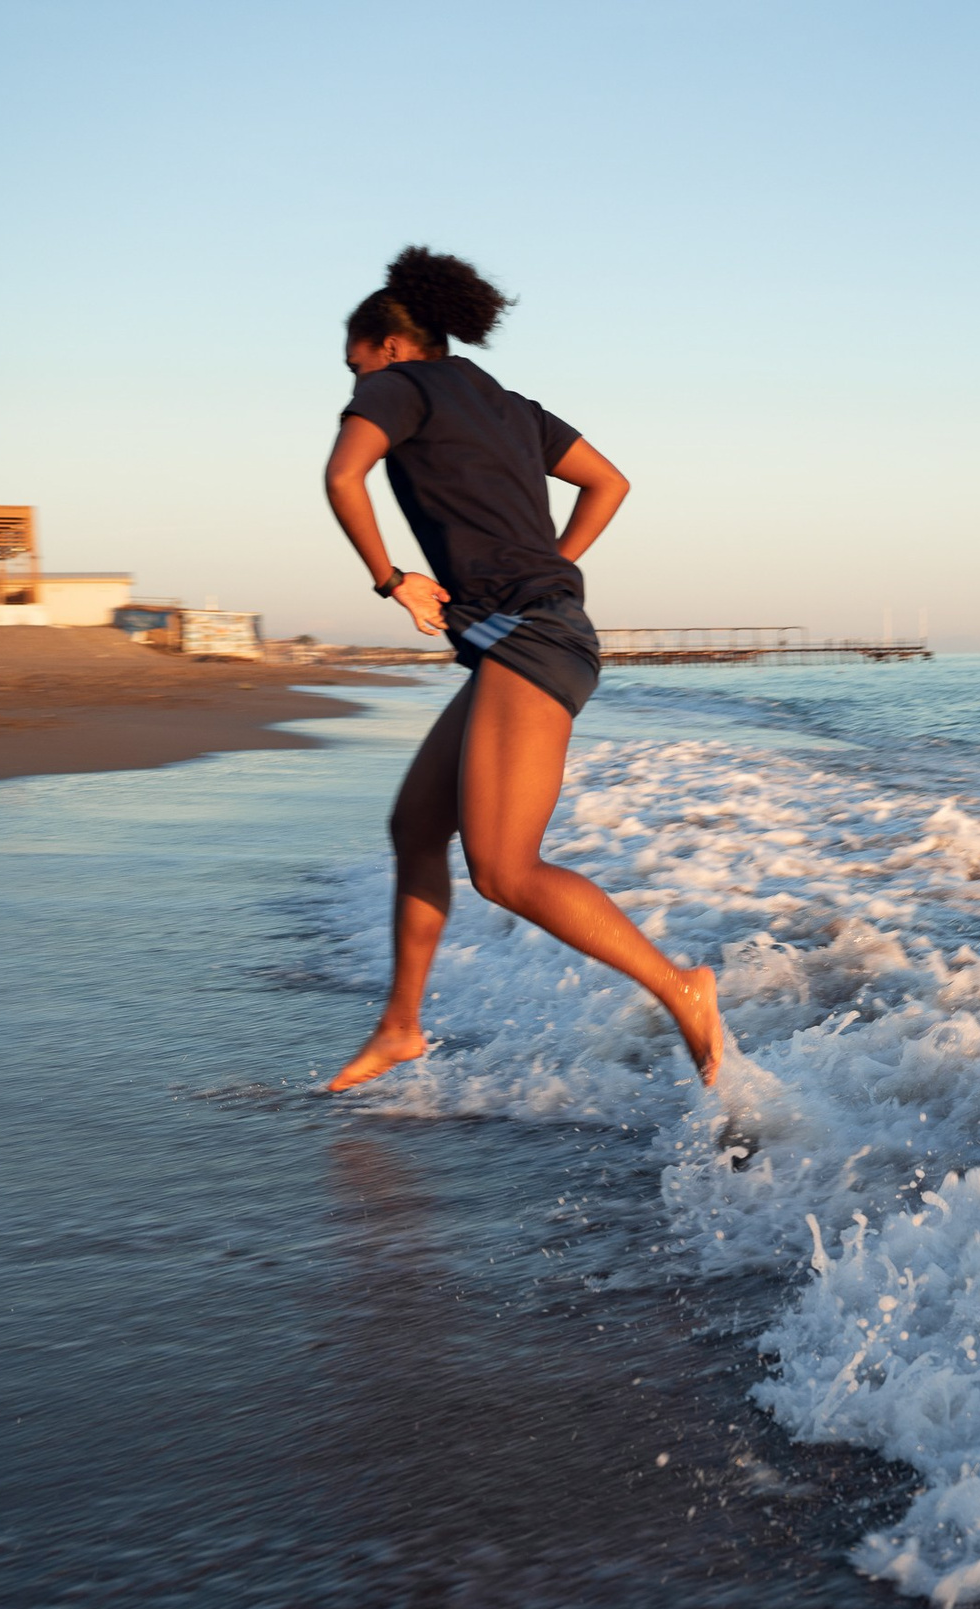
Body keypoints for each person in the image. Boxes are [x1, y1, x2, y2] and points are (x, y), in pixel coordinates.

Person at [321, 247, 721, 1092]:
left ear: (389, 346)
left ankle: (681, 986)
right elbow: (608, 482)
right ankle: (401, 1026)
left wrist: (393, 579)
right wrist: (552, 563)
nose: (349, 379)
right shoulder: (507, 403)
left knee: (504, 869)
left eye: (351, 358)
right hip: (534, 628)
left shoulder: (396, 387)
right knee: (416, 829)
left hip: (530, 636)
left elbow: (343, 474)